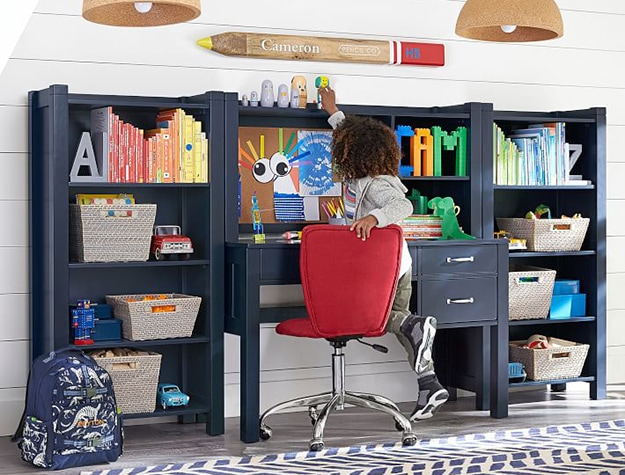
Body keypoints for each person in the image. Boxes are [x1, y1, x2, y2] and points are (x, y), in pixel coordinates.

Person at [318, 86, 449, 421]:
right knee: (407, 332)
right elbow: (346, 130)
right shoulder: (362, 175)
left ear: (355, 156)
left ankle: (415, 326)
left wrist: (373, 217)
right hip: (392, 268)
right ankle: (429, 384)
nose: (338, 157)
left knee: (374, 320)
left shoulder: (376, 183)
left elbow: (402, 205)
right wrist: (331, 109)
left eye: (341, 153)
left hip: (386, 272)